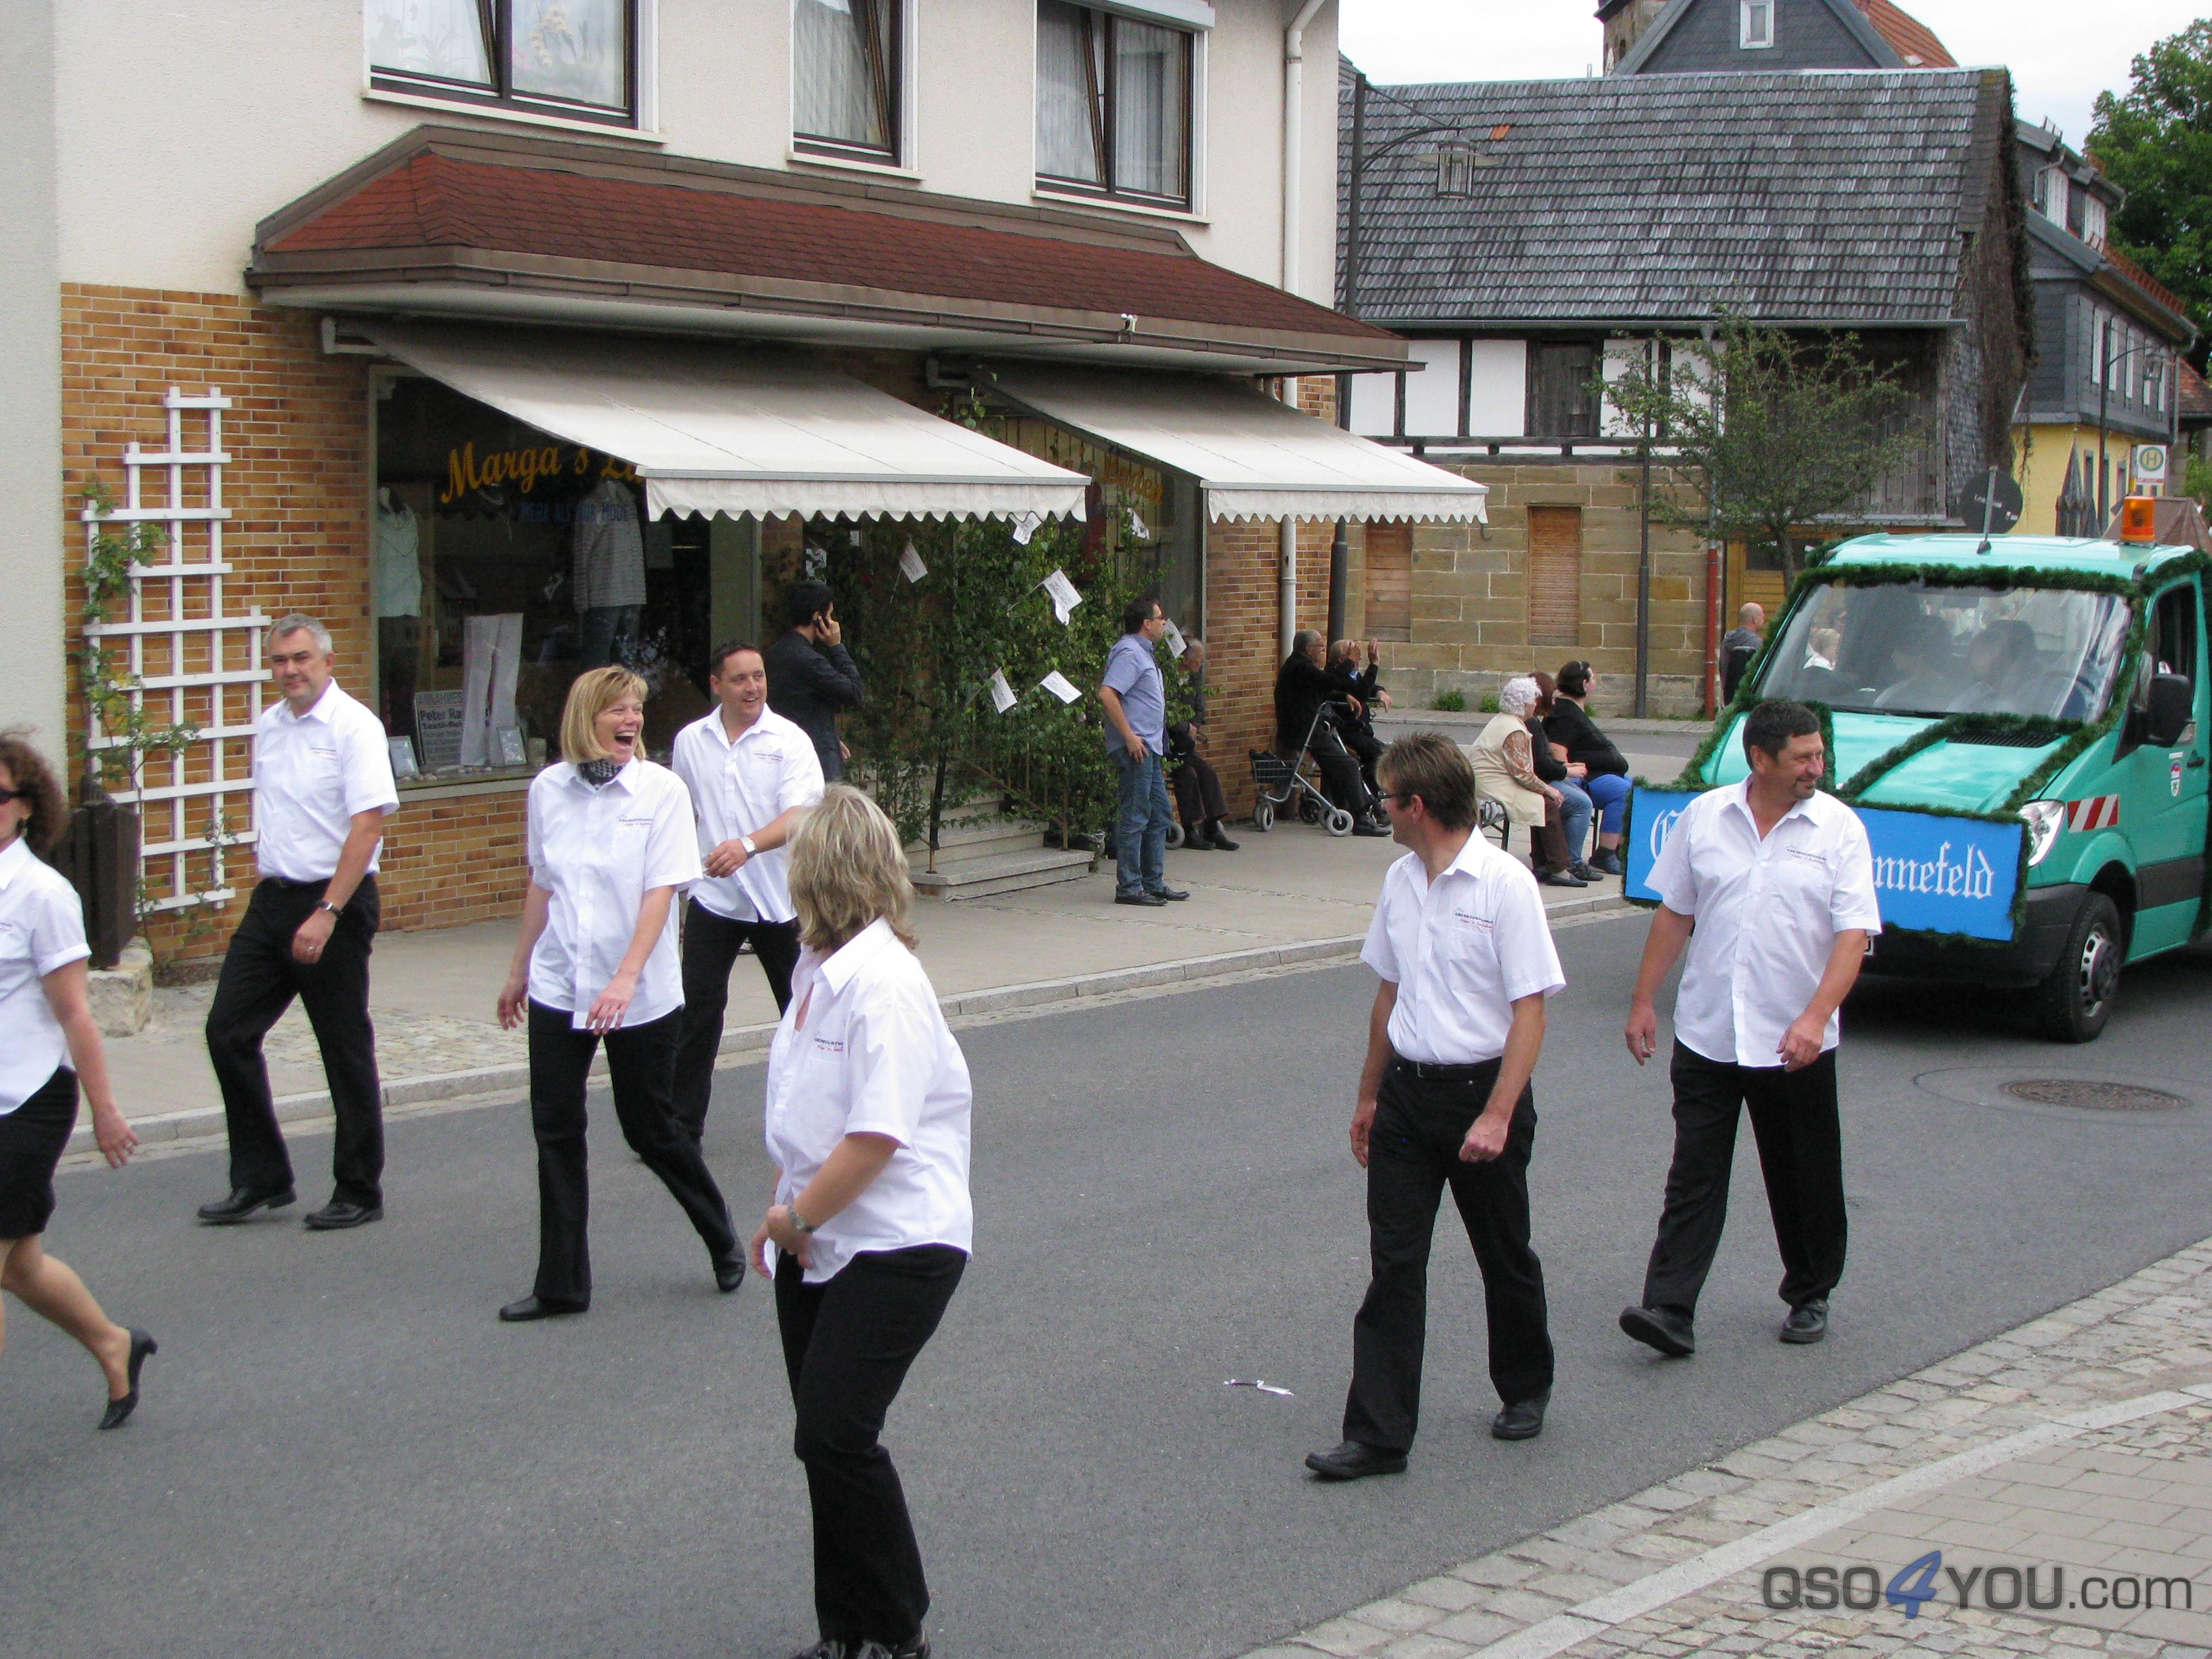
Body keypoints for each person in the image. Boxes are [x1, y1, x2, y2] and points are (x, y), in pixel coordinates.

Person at [747, 785, 971, 1659]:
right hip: (818, 1237)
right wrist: (788, 1206)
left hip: (900, 1243)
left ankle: (898, 1629)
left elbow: (877, 1135)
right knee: (821, 1443)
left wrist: (795, 1217)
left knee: (837, 1433)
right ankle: (844, 1631)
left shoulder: (886, 986)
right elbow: (809, 1110)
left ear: (820, 876)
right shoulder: (815, 972)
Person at [1305, 733, 1562, 1481]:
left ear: (1417, 806)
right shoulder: (1400, 880)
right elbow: (1388, 994)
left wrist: (1499, 1114)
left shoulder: (1506, 885)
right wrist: (1368, 1095)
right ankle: (1378, 1435)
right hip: (1407, 1100)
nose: (1380, 808)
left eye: (1386, 798)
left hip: (1483, 1095)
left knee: (1503, 1254)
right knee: (1394, 1267)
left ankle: (1525, 1386)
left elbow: (1531, 1011)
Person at [1618, 701, 1880, 1357]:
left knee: (1803, 1175)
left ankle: (1810, 1292)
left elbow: (1853, 936)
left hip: (1795, 1041)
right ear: (1760, 759)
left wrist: (1815, 1018)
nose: (1816, 768)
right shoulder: (1705, 817)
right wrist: (1644, 1000)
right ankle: (1670, 1308)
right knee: (1694, 1175)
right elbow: (1675, 913)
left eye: (1819, 755)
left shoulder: (1839, 829)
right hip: (1708, 1030)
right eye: (1802, 757)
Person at [495, 666, 743, 1321]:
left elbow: (661, 892)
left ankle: (720, 1234)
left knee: (651, 1129)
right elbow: (543, 884)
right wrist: (519, 971)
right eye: (617, 710)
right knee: (555, 1130)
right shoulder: (548, 790)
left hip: (639, 992)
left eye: (636, 709)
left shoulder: (662, 791)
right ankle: (562, 1284)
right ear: (587, 717)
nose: (631, 720)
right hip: (560, 983)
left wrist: (627, 978)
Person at [199, 615, 398, 1231]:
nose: (290, 670)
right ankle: (261, 1176)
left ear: (327, 662)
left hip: (334, 901)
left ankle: (358, 1188)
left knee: (342, 1045)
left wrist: (328, 912)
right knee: (227, 1032)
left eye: (302, 658)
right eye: (280, 660)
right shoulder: (271, 725)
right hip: (273, 900)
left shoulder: (354, 727)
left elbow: (368, 826)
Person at [0, 734, 155, 1431]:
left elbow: (75, 1016)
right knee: (20, 1266)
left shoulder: (42, 894)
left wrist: (106, 1110)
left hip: (28, 1100)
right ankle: (114, 1343)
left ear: (26, 807)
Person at [671, 640, 825, 1143]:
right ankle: (681, 1129)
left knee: (802, 1012)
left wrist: (747, 846)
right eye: (739, 679)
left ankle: (817, 1119)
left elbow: (801, 815)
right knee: (698, 1011)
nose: (752, 687)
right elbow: (682, 811)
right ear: (716, 685)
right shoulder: (691, 741)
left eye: (758, 676)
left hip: (782, 901)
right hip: (716, 898)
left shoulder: (790, 740)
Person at [1098, 596, 1188, 907]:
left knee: (1159, 813)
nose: (1165, 623)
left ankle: (1153, 882)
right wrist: (1129, 736)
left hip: (1150, 746)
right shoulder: (1129, 652)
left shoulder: (1144, 652)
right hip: (1137, 747)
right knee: (1136, 816)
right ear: (1146, 624)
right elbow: (1107, 694)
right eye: (1160, 618)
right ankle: (1129, 886)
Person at [1470, 678, 1582, 886]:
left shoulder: (1503, 720)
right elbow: (1522, 774)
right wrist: (1549, 789)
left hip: (1489, 782)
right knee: (1547, 803)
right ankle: (1558, 868)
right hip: (1493, 786)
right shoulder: (1514, 730)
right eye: (1533, 701)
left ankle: (1543, 865)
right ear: (1524, 705)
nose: (1535, 705)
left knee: (1541, 802)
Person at [1274, 631, 1387, 836]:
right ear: (1308, 649)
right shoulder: (1300, 667)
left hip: (1306, 730)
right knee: (1349, 765)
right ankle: (1361, 819)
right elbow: (1328, 681)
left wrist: (1344, 696)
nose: (1322, 650)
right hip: (1305, 732)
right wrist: (1350, 661)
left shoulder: (1299, 666)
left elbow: (1323, 687)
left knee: (1343, 763)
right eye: (1320, 646)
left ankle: (1349, 809)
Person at [766, 581, 866, 783]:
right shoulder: (809, 660)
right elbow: (854, 692)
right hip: (813, 761)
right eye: (829, 615)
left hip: (785, 752)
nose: (833, 622)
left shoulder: (774, 653)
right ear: (817, 617)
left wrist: (829, 736)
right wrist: (837, 647)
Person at [1544, 662, 1633, 877]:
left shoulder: (1572, 709)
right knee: (1624, 792)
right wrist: (1569, 781)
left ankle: (1620, 850)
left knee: (1636, 788)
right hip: (1584, 778)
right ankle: (1605, 854)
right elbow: (1557, 751)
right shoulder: (1564, 714)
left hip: (1598, 773)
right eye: (1592, 679)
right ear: (1584, 684)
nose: (1595, 682)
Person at [1166, 638, 1237, 853]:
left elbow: (1200, 708)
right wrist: (1184, 727)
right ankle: (1190, 829)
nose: (1202, 660)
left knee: (1207, 772)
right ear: (1184, 658)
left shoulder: (1194, 679)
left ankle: (1212, 825)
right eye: (1198, 656)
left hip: (1186, 743)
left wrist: (1195, 726)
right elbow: (1164, 712)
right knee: (1187, 776)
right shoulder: (1168, 680)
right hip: (1169, 743)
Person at [1528, 674, 1598, 882]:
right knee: (1582, 804)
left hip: (1542, 777)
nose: (1555, 701)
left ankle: (1562, 859)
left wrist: (1566, 766)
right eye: (1552, 696)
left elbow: (1542, 761)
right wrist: (1567, 771)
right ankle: (1572, 862)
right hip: (1538, 781)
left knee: (1579, 797)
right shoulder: (1531, 724)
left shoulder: (1534, 722)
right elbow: (1541, 767)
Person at [573, 475, 647, 670]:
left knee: (621, 662)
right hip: (605, 595)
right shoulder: (594, 505)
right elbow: (583, 551)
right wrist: (582, 599)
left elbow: (583, 551)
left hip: (623, 595)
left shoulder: (629, 505)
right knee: (602, 662)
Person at [1326, 638, 1391, 796]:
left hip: (1360, 730)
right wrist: (1374, 664)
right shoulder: (1334, 676)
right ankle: (1370, 796)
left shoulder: (1349, 674)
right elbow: (1360, 692)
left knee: (1391, 754)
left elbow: (1365, 685)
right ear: (1342, 659)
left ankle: (1375, 794)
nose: (1360, 658)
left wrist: (1380, 691)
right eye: (1355, 654)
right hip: (1346, 732)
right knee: (1379, 755)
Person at [1719, 602, 1765, 702]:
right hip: (1745, 698)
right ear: (1755, 619)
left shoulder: (1728, 640)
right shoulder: (1756, 643)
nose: (1763, 620)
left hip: (1727, 696)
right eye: (1762, 617)